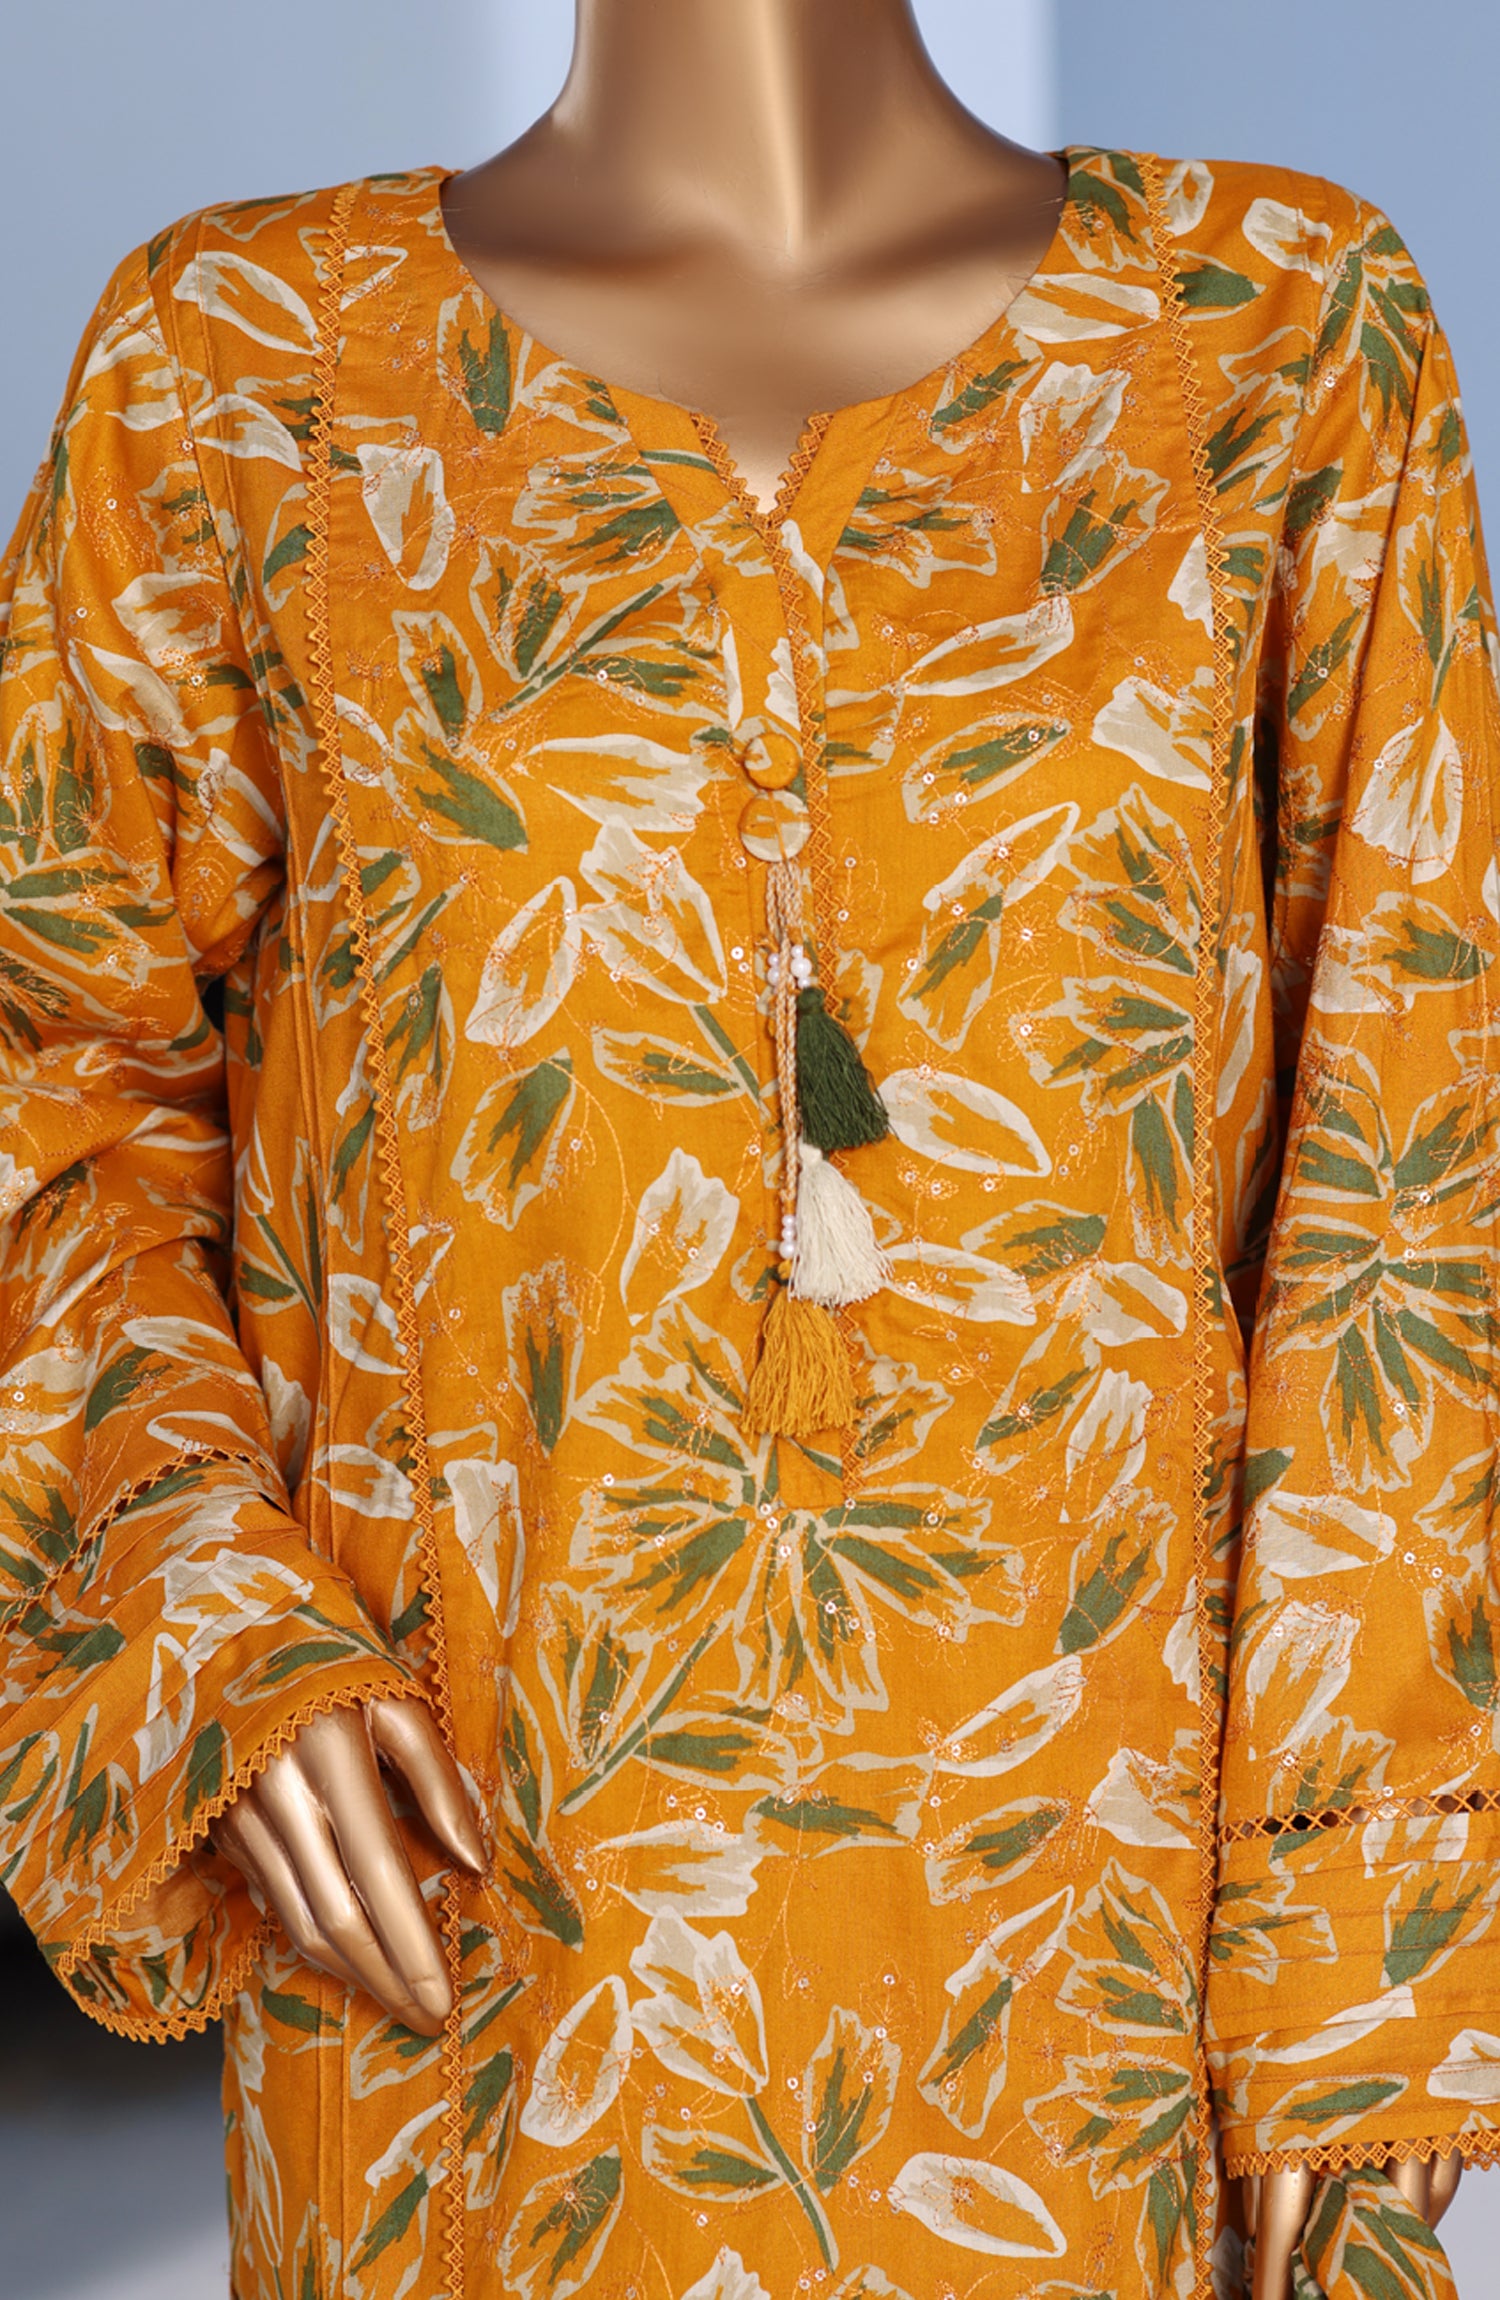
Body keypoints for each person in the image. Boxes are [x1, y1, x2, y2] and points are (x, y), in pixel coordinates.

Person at [0, 2, 1494, 2294]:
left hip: (1098, 2027)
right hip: (489, 2007)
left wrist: (1352, 1952)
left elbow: (1408, 1168)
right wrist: (205, 1615)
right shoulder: (244, 368)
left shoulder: (1276, 340)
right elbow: (55, 1089)